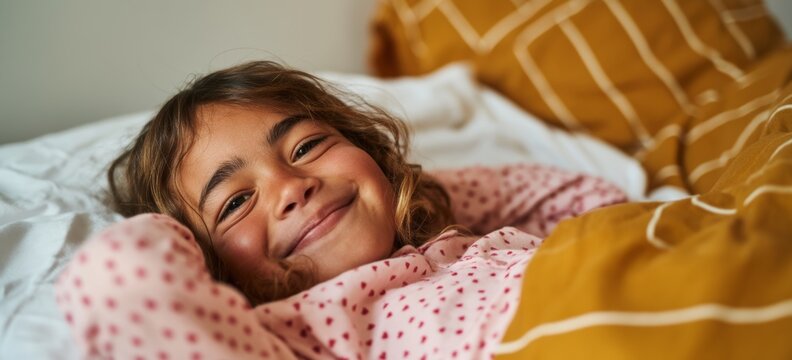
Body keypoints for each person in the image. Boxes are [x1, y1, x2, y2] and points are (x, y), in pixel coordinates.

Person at [55, 61, 626, 359]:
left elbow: (580, 198)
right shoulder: (288, 338)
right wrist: (183, 239)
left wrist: (398, 186)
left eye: (306, 147)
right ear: (207, 267)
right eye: (235, 202)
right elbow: (119, 281)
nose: (292, 187)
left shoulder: (449, 235)